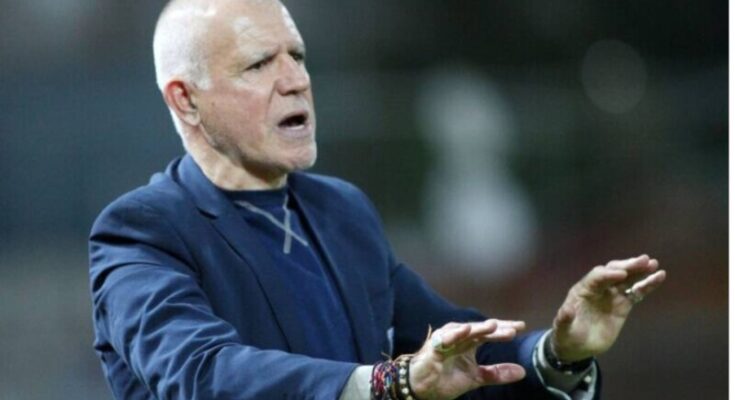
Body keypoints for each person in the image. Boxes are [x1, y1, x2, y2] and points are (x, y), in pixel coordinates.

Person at [88, 0, 667, 399]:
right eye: (259, 64)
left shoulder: (341, 211)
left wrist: (559, 351)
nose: (295, 80)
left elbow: (452, 345)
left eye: (297, 56)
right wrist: (389, 384)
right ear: (186, 100)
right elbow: (201, 374)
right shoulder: (143, 232)